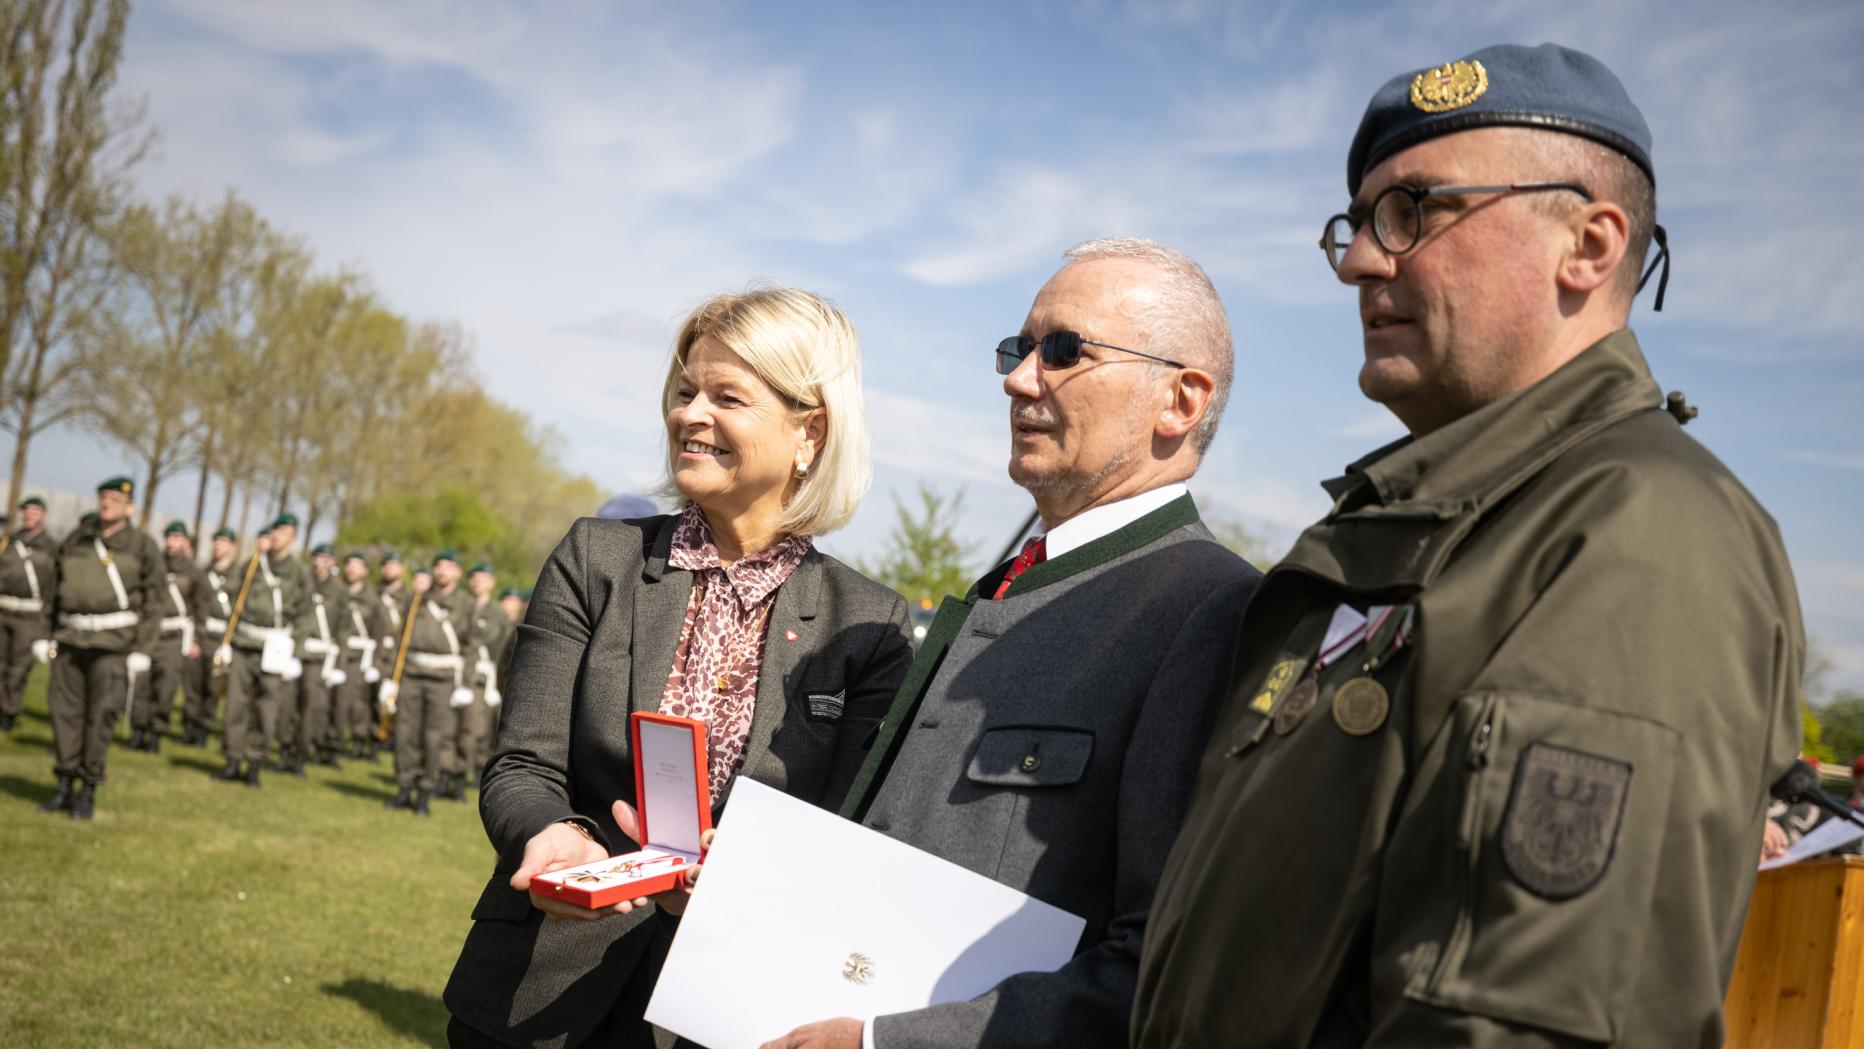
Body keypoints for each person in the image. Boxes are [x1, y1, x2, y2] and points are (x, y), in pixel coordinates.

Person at [1132, 44, 1804, 1048]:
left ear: (1588, 244)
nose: (1362, 258)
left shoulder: (1637, 538)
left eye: (1414, 211)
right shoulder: (1439, 516)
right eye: (1356, 224)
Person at [769, 240, 1257, 1049]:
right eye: (1018, 347)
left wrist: (880, 1044)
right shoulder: (1012, 585)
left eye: (1064, 351)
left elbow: (1164, 963)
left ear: (1181, 400)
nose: (1019, 378)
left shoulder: (1210, 612)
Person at [443, 287, 916, 1049]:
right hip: (535, 994)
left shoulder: (871, 625)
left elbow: (848, 837)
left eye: (727, 396)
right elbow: (522, 763)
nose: (690, 413)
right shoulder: (597, 559)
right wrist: (552, 832)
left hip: (722, 1006)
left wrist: (745, 875)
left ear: (811, 433)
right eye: (686, 391)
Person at [37, 477, 164, 820]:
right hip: (71, 638)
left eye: (115, 499)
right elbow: (53, 587)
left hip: (113, 645)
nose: (107, 504)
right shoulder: (78, 538)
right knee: (65, 713)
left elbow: (155, 600)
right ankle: (64, 782)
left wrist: (143, 648)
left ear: (129, 506)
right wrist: (44, 633)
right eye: (103, 498)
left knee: (100, 717)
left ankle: (88, 787)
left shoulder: (141, 545)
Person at [210, 514, 311, 789]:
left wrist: (296, 651)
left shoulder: (299, 572)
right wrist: (227, 641)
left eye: (284, 532)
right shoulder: (253, 563)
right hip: (245, 642)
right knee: (236, 703)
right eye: (275, 531)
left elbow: (305, 614)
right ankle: (232, 758)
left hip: (275, 646)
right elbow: (232, 596)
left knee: (266, 707)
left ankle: (255, 762)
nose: (277, 536)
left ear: (294, 537)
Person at [382, 551, 477, 815]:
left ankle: (424, 791)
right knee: (405, 733)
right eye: (438, 566)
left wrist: (465, 684)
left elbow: (470, 647)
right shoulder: (418, 599)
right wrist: (392, 678)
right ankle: (403, 787)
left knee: (434, 736)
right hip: (412, 673)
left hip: (443, 678)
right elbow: (401, 640)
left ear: (458, 572)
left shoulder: (465, 604)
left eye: (448, 566)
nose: (442, 571)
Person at [128, 521, 210, 753]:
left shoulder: (194, 572)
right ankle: (137, 729)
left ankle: (156, 732)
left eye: (176, 537)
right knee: (141, 684)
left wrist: (197, 640)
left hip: (174, 636)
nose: (171, 542)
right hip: (150, 632)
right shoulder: (155, 565)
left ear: (185, 541)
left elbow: (201, 607)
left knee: (166, 687)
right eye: (168, 537)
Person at [439, 561, 511, 801]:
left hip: (480, 681)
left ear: (492, 583)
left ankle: (460, 778)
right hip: (456, 675)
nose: (478, 582)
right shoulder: (461, 606)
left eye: (483, 578)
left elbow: (499, 652)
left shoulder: (498, 615)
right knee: (448, 728)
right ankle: (443, 774)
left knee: (471, 731)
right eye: (474, 578)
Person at [288, 542, 351, 772]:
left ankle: (301, 753)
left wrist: (340, 665)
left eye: (325, 559)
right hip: (295, 652)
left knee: (310, 706)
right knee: (287, 703)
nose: (320, 563)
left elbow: (344, 629)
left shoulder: (339, 591)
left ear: (332, 562)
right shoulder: (302, 583)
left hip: (319, 657)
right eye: (317, 558)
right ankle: (285, 748)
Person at [0, 495, 57, 734]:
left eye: (34, 512)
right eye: (26, 511)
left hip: (29, 615)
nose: (29, 515)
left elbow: (53, 587)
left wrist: (46, 627)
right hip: (3, 609)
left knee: (18, 668)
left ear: (43, 515)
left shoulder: (51, 546)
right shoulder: (9, 541)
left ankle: (9, 711)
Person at [193, 526, 243, 746]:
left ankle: (204, 727)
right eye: (216, 542)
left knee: (214, 686)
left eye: (223, 542)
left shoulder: (239, 575)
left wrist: (231, 641)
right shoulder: (204, 571)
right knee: (194, 683)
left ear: (232, 547)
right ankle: (190, 725)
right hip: (202, 633)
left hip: (223, 638)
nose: (218, 546)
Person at [336, 551, 385, 760]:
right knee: (334, 700)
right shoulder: (337, 592)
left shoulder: (372, 599)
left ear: (365, 571)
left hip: (359, 656)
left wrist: (375, 663)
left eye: (357, 565)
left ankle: (358, 739)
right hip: (336, 653)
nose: (351, 569)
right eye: (348, 564)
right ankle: (331, 739)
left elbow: (380, 632)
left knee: (357, 702)